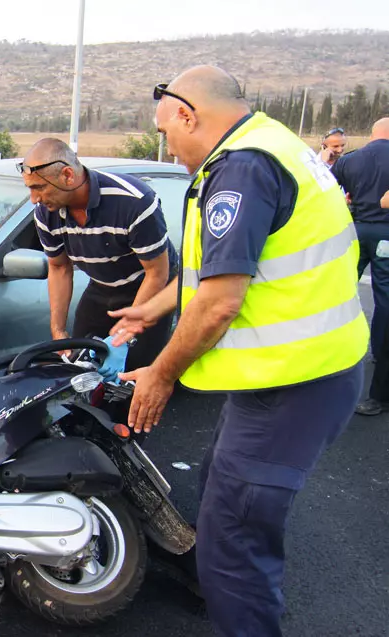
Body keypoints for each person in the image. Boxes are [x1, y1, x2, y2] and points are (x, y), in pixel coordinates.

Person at [109, 66, 367, 637]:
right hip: (307, 372)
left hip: (293, 384)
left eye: (166, 133)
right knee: (221, 497)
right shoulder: (273, 142)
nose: (167, 147)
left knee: (233, 542)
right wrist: (153, 308)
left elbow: (221, 302)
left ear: (187, 114)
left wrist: (160, 374)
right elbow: (228, 268)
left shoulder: (242, 170)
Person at [20, 138, 176, 370]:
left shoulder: (134, 202)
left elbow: (157, 273)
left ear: (68, 175)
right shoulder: (45, 212)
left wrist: (125, 331)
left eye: (39, 188)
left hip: (149, 287)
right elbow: (59, 268)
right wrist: (58, 330)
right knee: (79, 367)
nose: (35, 199)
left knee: (132, 374)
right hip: (101, 287)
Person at [332, 118, 389, 414]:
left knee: (341, 288)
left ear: (372, 134)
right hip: (386, 233)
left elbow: (328, 191)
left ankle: (333, 347)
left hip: (355, 230)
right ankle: (380, 350)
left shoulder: (351, 160)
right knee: (385, 298)